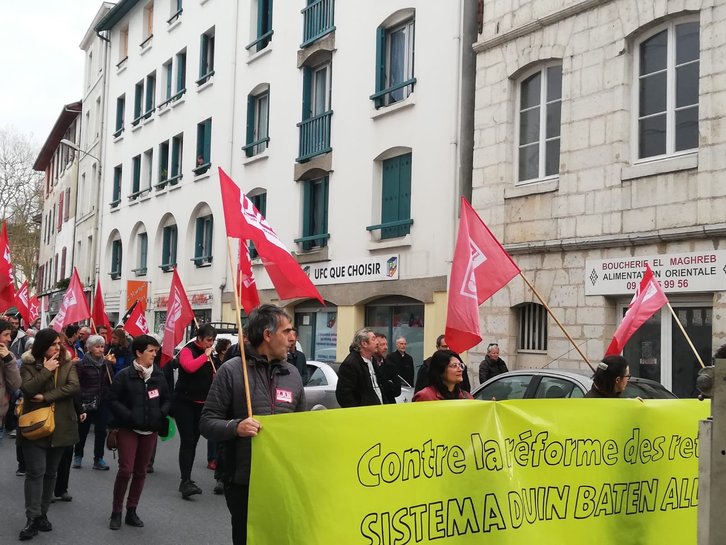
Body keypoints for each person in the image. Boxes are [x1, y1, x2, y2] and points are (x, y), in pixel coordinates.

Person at [200, 304, 305, 545]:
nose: (292, 338)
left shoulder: (293, 375)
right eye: (286, 331)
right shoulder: (232, 371)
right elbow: (206, 423)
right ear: (267, 335)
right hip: (243, 480)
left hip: (282, 481)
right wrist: (236, 427)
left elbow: (301, 426)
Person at [17, 328, 80, 541]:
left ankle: (43, 514)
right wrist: (45, 370)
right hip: (35, 426)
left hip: (61, 425)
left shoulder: (68, 364)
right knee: (36, 472)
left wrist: (46, 396)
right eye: (53, 344)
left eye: (59, 343)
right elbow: (26, 389)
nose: (58, 347)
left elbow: (73, 387)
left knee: (51, 472)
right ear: (42, 346)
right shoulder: (28, 364)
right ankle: (32, 518)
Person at [108, 334, 171, 530]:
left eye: (156, 351)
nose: (154, 354)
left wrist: (160, 414)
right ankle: (116, 511)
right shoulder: (124, 375)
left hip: (150, 430)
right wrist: (128, 416)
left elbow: (168, 399)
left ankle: (132, 510)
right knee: (126, 469)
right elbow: (112, 400)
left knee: (141, 472)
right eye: (151, 351)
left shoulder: (159, 376)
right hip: (129, 428)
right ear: (138, 352)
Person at [174, 323, 217, 499]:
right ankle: (185, 481)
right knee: (188, 440)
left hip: (202, 403)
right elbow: (189, 367)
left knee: (194, 441)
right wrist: (204, 356)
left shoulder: (210, 354)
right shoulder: (188, 350)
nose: (210, 343)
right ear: (199, 338)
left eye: (213, 340)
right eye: (208, 340)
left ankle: (188, 479)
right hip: (184, 402)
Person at [73, 335, 115, 470]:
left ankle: (99, 459)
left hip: (103, 401)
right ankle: (78, 455)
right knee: (82, 430)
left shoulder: (106, 364)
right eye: (97, 347)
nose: (101, 349)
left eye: (102, 346)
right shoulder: (81, 364)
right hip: (87, 401)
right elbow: (77, 385)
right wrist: (79, 402)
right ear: (89, 348)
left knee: (101, 431)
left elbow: (111, 382)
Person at [336, 328, 400, 407]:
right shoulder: (351, 364)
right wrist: (359, 413)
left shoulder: (373, 361)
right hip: (364, 415)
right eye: (373, 339)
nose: (377, 342)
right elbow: (344, 395)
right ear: (364, 344)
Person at [0, 318, 21, 441]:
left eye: (10, 335)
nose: (9, 339)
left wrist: (8, 361)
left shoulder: (9, 356)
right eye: (5, 335)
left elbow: (16, 384)